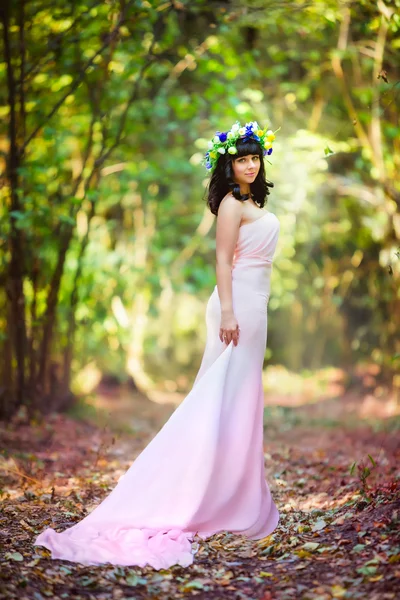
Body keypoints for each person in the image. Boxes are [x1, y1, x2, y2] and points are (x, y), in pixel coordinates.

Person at [34, 120, 281, 570]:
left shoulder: (252, 202)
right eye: (241, 159)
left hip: (256, 303)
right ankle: (195, 492)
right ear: (228, 165)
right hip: (237, 305)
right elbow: (223, 260)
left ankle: (231, 492)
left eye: (253, 157)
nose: (249, 164)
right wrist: (228, 311)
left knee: (239, 401)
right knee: (217, 400)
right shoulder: (230, 205)